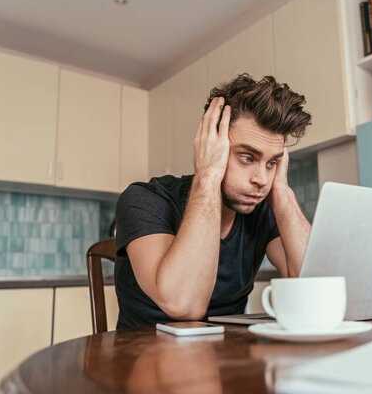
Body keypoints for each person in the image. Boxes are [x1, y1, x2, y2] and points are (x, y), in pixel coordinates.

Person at [115, 74, 312, 328]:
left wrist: (282, 191)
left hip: (230, 358)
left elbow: (314, 287)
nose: (262, 179)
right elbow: (184, 304)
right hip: (145, 359)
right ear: (210, 144)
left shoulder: (262, 209)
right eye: (248, 158)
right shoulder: (145, 199)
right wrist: (207, 174)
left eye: (272, 162)